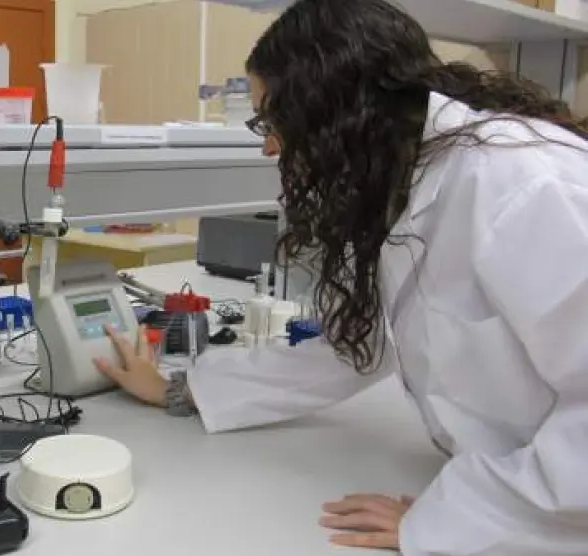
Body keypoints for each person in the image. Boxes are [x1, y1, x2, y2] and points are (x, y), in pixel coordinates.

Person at [92, 0, 588, 554]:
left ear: (334, 106)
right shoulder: (405, 178)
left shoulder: (523, 183)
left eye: (271, 119)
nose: (268, 145)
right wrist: (181, 390)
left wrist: (470, 518)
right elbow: (358, 345)